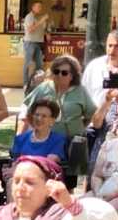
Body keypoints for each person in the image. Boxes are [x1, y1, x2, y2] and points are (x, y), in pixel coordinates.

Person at [20, 55, 93, 183]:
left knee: (69, 183)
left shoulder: (80, 91)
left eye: (64, 73)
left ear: (72, 76)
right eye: (56, 71)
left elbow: (90, 114)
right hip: (47, 141)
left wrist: (76, 126)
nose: (59, 75)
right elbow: (26, 111)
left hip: (72, 142)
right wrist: (21, 137)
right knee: (44, 176)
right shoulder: (44, 88)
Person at [11, 97, 68, 168]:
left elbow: (48, 164)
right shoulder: (20, 139)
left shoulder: (58, 140)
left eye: (44, 116)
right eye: (36, 115)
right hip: (20, 175)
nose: (39, 119)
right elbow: (15, 162)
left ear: (52, 121)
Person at [21, 0, 49, 85]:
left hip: (38, 42)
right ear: (33, 7)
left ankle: (36, 83)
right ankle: (26, 83)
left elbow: (39, 29)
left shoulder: (37, 17)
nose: (40, 8)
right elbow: (30, 30)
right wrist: (42, 20)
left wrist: (46, 33)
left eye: (41, 7)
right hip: (30, 42)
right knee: (28, 64)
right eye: (38, 6)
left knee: (39, 65)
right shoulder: (29, 17)